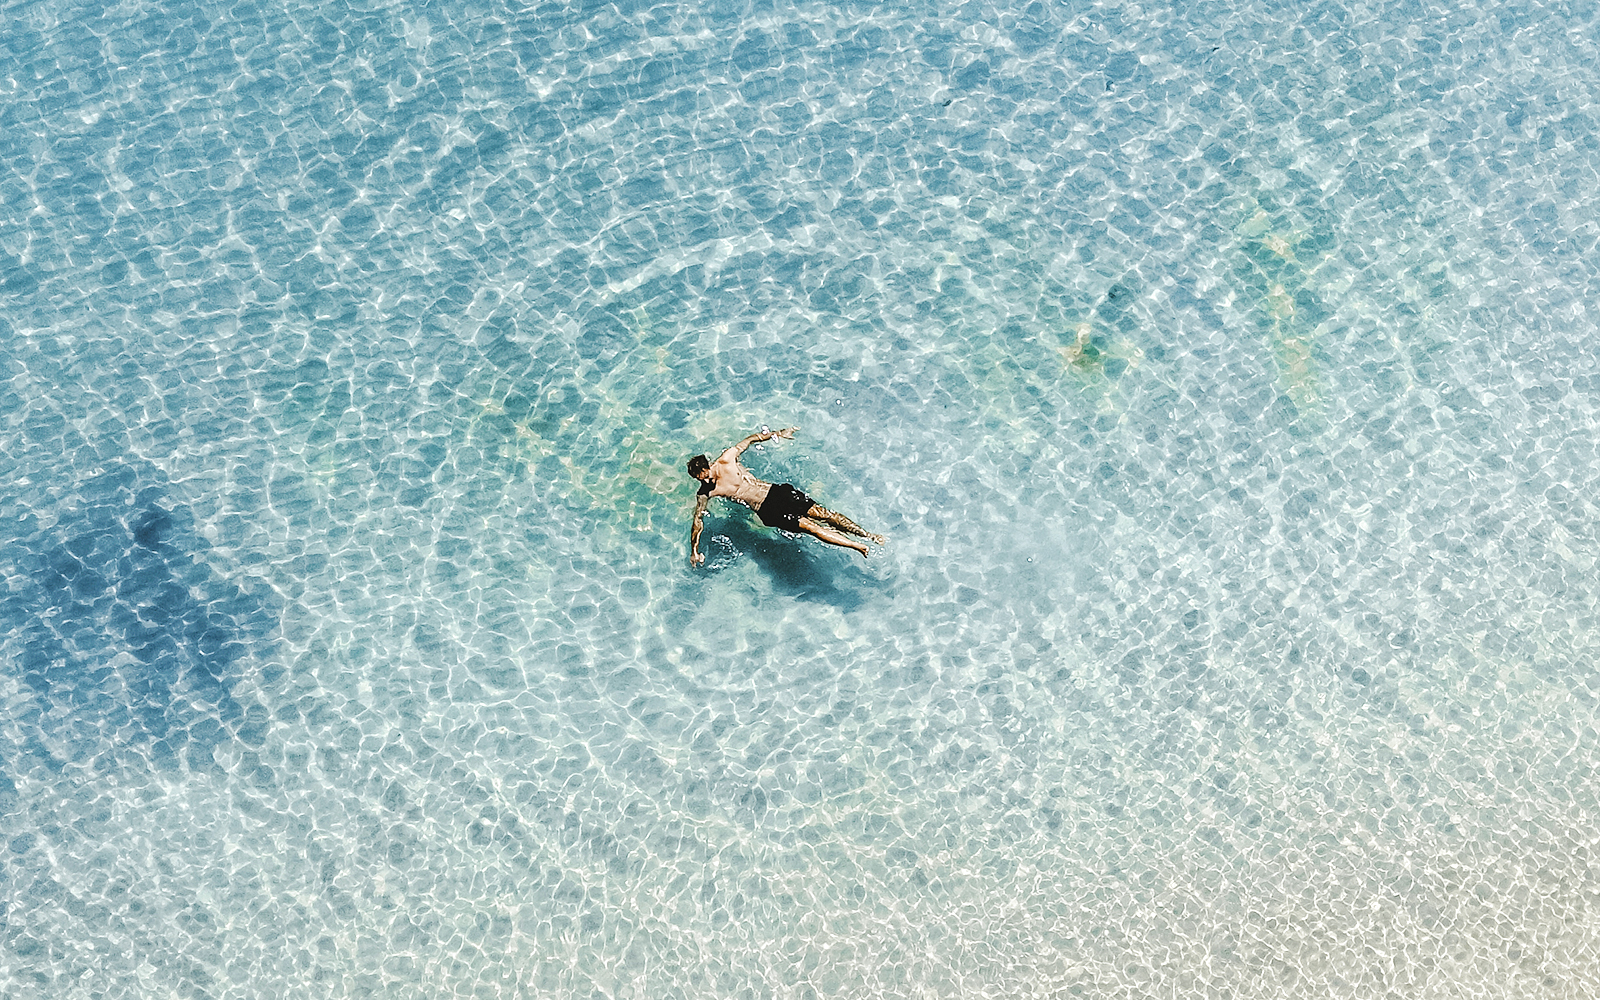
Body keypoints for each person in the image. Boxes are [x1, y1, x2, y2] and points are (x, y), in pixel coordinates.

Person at [687, 426, 885, 565]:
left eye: (704, 476)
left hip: (777, 492)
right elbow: (697, 521)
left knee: (825, 514)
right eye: (699, 480)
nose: (704, 482)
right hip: (766, 510)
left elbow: (750, 439)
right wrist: (694, 551)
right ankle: (857, 546)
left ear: (707, 466)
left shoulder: (727, 459)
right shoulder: (705, 493)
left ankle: (868, 535)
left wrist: (779, 433)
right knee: (812, 528)